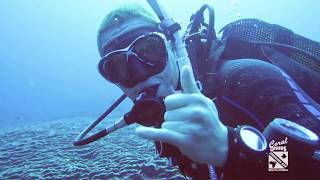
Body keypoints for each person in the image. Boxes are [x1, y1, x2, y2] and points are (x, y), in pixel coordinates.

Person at [96, 4, 320, 179]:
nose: (140, 74)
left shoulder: (244, 78)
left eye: (149, 50)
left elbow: (312, 160)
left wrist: (231, 149)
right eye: (118, 67)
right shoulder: (167, 117)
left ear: (173, 47)